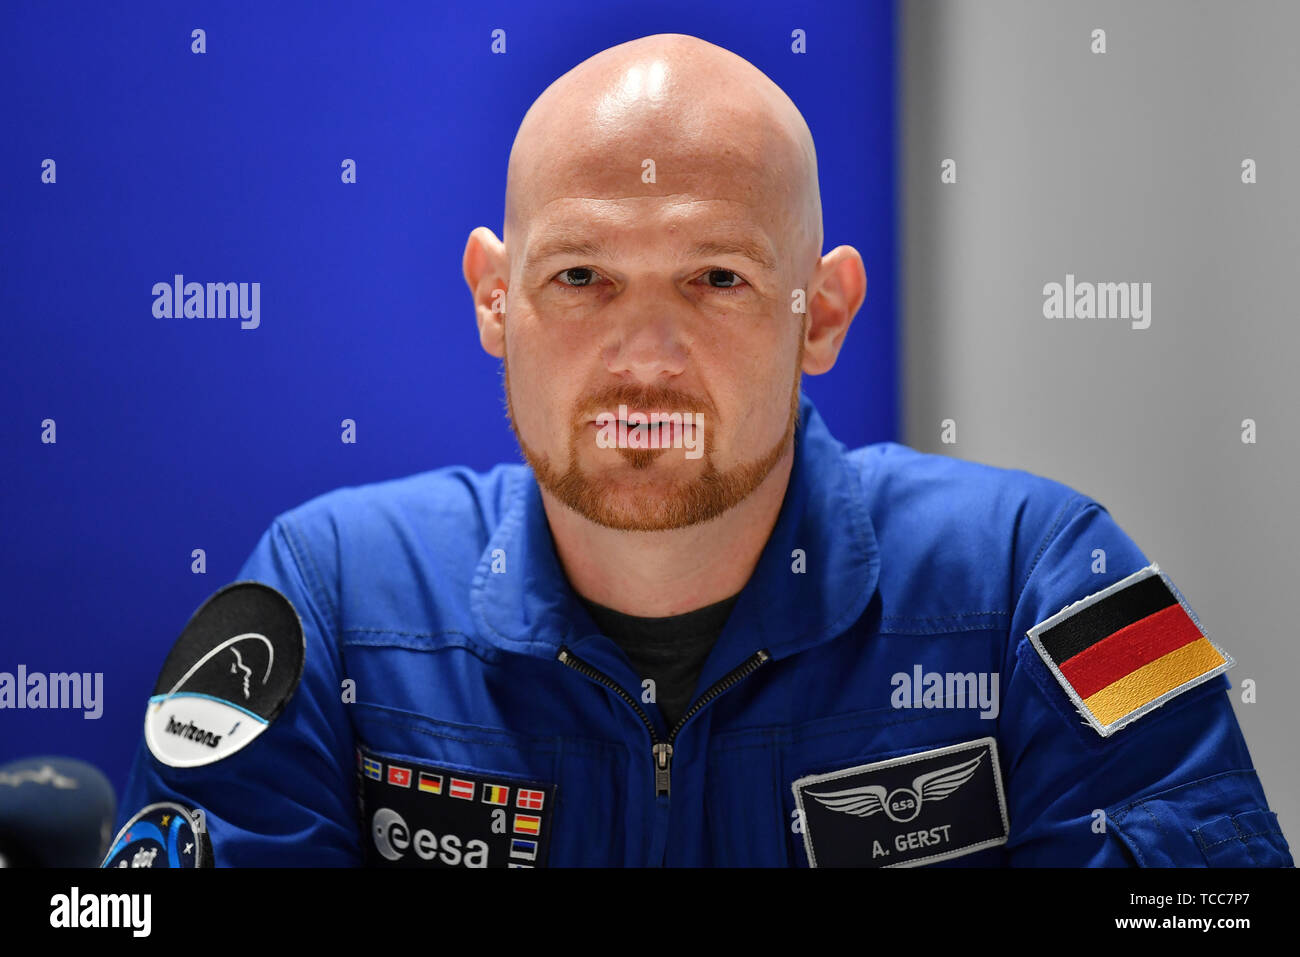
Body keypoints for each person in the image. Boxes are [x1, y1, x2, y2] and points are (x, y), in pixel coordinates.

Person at [113, 33, 1291, 868]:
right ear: (494, 301)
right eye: (579, 278)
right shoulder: (319, 598)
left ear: (820, 314)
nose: (644, 361)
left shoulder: (1045, 579)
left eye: (716, 279)